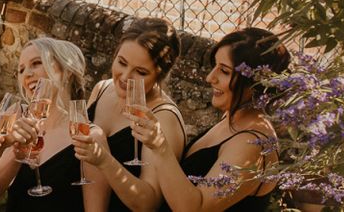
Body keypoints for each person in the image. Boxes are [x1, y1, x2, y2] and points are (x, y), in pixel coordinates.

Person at [132, 27, 291, 212]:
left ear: (254, 82)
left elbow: (196, 209)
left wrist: (160, 147)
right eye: (214, 66)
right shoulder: (232, 118)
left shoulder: (252, 145)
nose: (210, 77)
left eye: (224, 71)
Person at [72, 17, 186, 212]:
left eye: (140, 72)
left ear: (161, 74)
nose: (125, 77)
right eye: (122, 62)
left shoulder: (163, 119)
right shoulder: (102, 89)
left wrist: (104, 161)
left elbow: (148, 203)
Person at [0, 37, 88, 211]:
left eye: (36, 63)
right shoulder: (16, 118)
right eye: (21, 69)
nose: (27, 74)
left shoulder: (82, 131)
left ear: (66, 71)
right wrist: (16, 154)